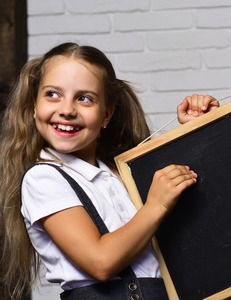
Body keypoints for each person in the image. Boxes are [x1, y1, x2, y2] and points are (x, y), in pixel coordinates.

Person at [0, 42, 219, 300]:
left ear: (106, 115)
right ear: (35, 105)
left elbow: (174, 262)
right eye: (52, 94)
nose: (67, 110)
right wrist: (156, 205)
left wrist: (196, 133)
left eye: (84, 98)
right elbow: (101, 262)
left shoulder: (118, 175)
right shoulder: (44, 178)